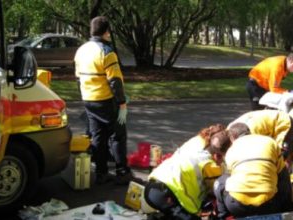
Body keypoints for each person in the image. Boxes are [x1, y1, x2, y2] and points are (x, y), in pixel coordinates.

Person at [74, 16, 131, 185]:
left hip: (88, 99)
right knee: (117, 135)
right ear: (106, 32)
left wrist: (86, 95)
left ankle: (101, 172)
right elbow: (115, 80)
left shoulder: (81, 50)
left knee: (97, 136)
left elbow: (78, 78)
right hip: (105, 99)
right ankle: (121, 172)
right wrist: (121, 102)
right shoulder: (107, 51)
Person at [144, 129, 231, 220]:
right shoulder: (210, 165)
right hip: (166, 197)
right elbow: (217, 189)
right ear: (219, 155)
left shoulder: (196, 142)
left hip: (151, 187)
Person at [213, 125, 293, 218]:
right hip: (269, 205)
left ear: (232, 138)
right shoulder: (270, 142)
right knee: (281, 173)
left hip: (238, 206)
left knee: (219, 182)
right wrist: (288, 209)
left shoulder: (231, 150)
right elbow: (284, 178)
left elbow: (231, 177)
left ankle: (223, 216)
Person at [228, 109, 293, 168]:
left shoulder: (233, 132)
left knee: (278, 158)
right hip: (283, 122)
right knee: (278, 160)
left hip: (282, 122)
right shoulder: (245, 135)